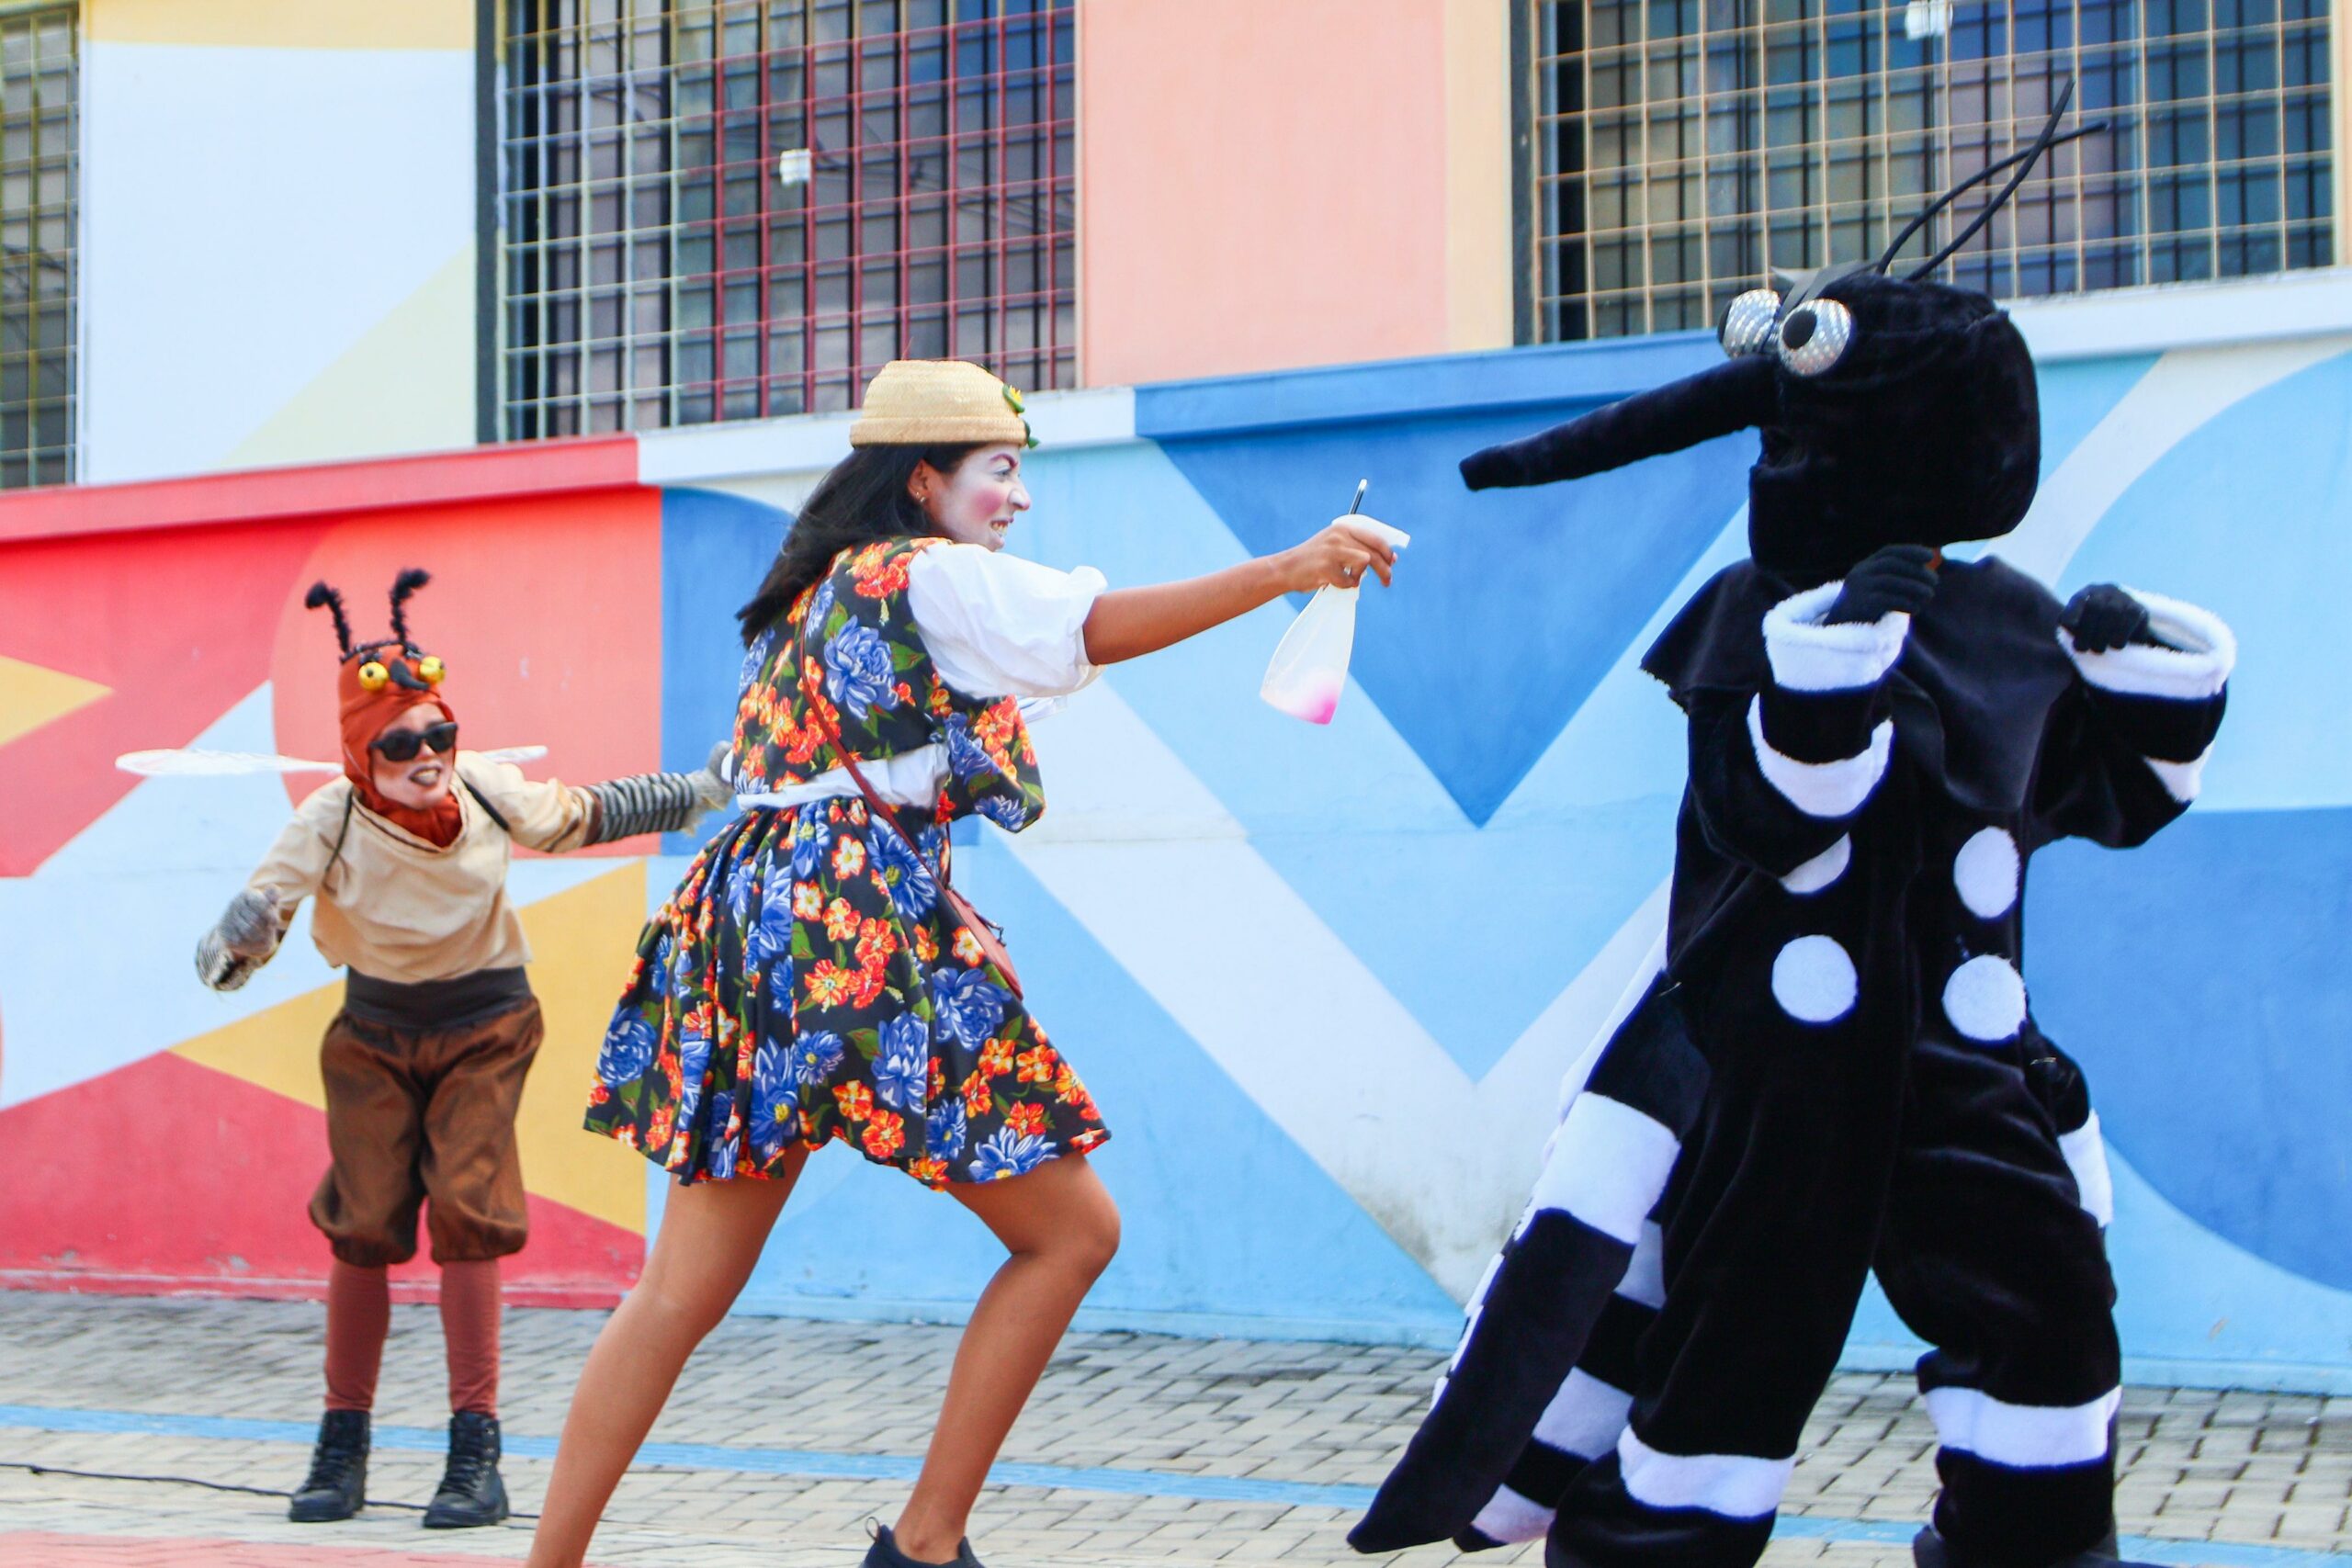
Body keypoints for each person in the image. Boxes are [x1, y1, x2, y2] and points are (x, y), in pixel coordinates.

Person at [1352, 116, 2229, 1568]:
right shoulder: (1759, 621)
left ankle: (2025, 1541)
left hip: (1968, 1069)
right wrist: (1834, 661)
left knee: (2053, 1324)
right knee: (1727, 1365)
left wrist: (2159, 677)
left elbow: (2106, 798)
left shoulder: (2014, 620)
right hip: (1779, 1083)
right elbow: (1765, 817)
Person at [528, 358, 1403, 1568]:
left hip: (747, 929)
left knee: (677, 1291)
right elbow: (1092, 627)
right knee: (1070, 1232)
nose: (1017, 497)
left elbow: (795, 772)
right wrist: (1289, 569)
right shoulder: (932, 576)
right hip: (854, 932)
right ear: (922, 480)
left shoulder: (817, 602)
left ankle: (549, 1561)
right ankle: (928, 1538)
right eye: (1000, 471)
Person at [195, 570, 732, 1529]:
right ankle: (342, 1442)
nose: (428, 755)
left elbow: (581, 814)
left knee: (468, 1212)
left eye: (439, 733)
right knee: (361, 1224)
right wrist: (231, 942)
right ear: (361, 755)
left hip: (486, 1025)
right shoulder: (331, 818)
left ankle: (473, 1454)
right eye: (400, 744)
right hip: (373, 1034)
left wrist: (701, 789)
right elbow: (253, 926)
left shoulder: (483, 784)